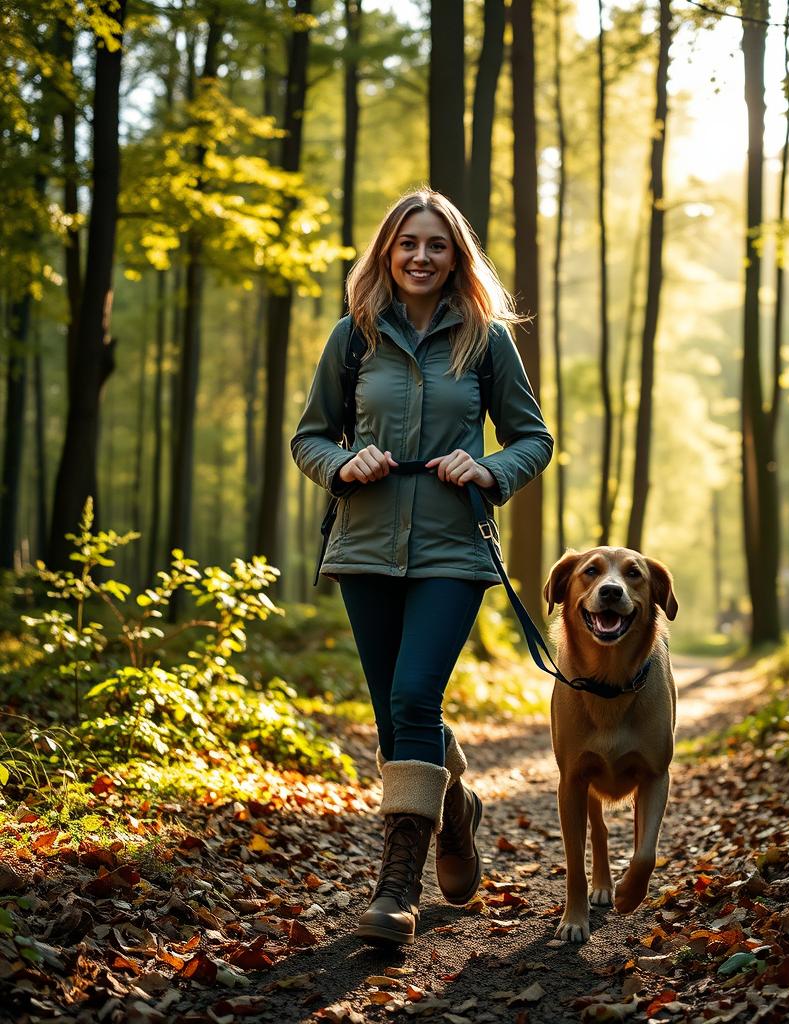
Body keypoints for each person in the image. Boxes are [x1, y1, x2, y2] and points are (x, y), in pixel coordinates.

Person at [290, 188, 554, 946]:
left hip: (452, 549)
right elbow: (309, 438)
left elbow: (532, 437)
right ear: (386, 252)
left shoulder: (485, 341)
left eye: (437, 244)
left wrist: (489, 471)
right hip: (365, 548)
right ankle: (457, 809)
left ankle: (395, 887)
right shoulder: (353, 337)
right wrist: (344, 463)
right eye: (408, 243)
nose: (421, 256)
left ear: (455, 256)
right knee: (398, 717)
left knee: (413, 694)